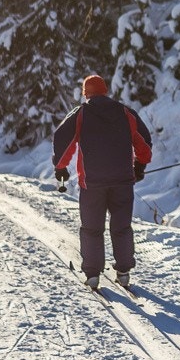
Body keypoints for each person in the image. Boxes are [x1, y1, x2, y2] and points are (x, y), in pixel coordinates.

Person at [52, 74, 152, 289]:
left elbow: (62, 138)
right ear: (105, 90)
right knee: (122, 227)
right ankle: (124, 272)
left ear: (85, 93)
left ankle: (93, 275)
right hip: (122, 182)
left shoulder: (80, 113)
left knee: (92, 229)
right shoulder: (125, 112)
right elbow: (143, 140)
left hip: (92, 184)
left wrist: (61, 168)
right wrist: (140, 166)